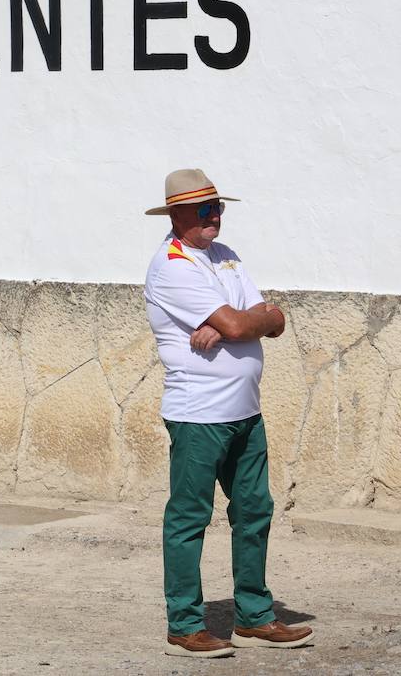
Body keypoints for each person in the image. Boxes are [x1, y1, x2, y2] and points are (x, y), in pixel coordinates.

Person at [142, 168, 314, 659]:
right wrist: (241, 322)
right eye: (202, 209)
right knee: (189, 517)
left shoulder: (227, 257)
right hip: (199, 414)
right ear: (176, 215)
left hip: (245, 411)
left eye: (217, 207)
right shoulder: (172, 265)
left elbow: (270, 319)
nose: (213, 216)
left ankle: (254, 617)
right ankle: (185, 626)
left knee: (255, 511)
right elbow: (246, 320)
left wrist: (242, 323)